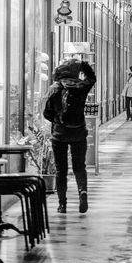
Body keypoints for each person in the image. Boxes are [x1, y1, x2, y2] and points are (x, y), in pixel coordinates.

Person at [43, 58, 96, 214]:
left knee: (61, 170)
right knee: (80, 167)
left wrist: (57, 121)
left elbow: (47, 112)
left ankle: (62, 204)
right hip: (79, 132)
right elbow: (92, 78)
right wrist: (84, 65)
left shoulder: (55, 88)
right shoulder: (81, 86)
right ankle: (82, 192)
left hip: (60, 134)